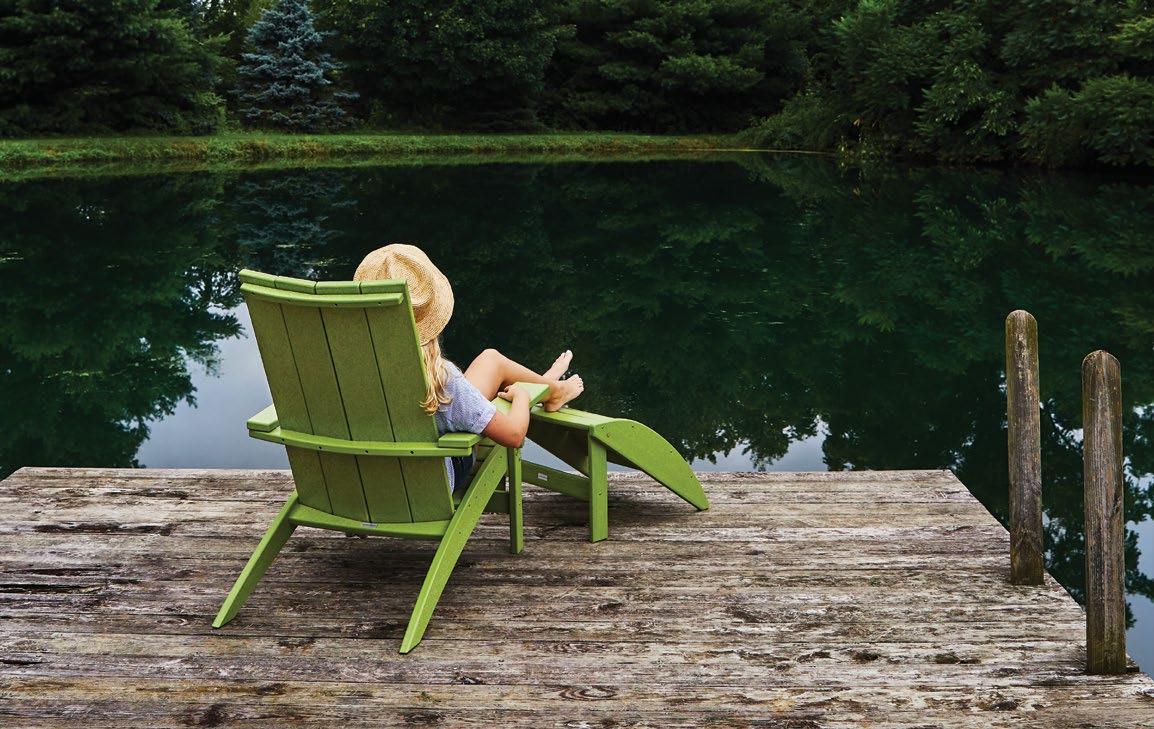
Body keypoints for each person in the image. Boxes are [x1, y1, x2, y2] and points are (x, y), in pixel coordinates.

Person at [354, 244, 584, 492]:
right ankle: (549, 389)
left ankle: (549, 386)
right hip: (429, 486)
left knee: (489, 362)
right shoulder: (441, 379)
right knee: (490, 363)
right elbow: (514, 436)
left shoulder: (343, 374)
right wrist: (522, 396)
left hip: (362, 488)